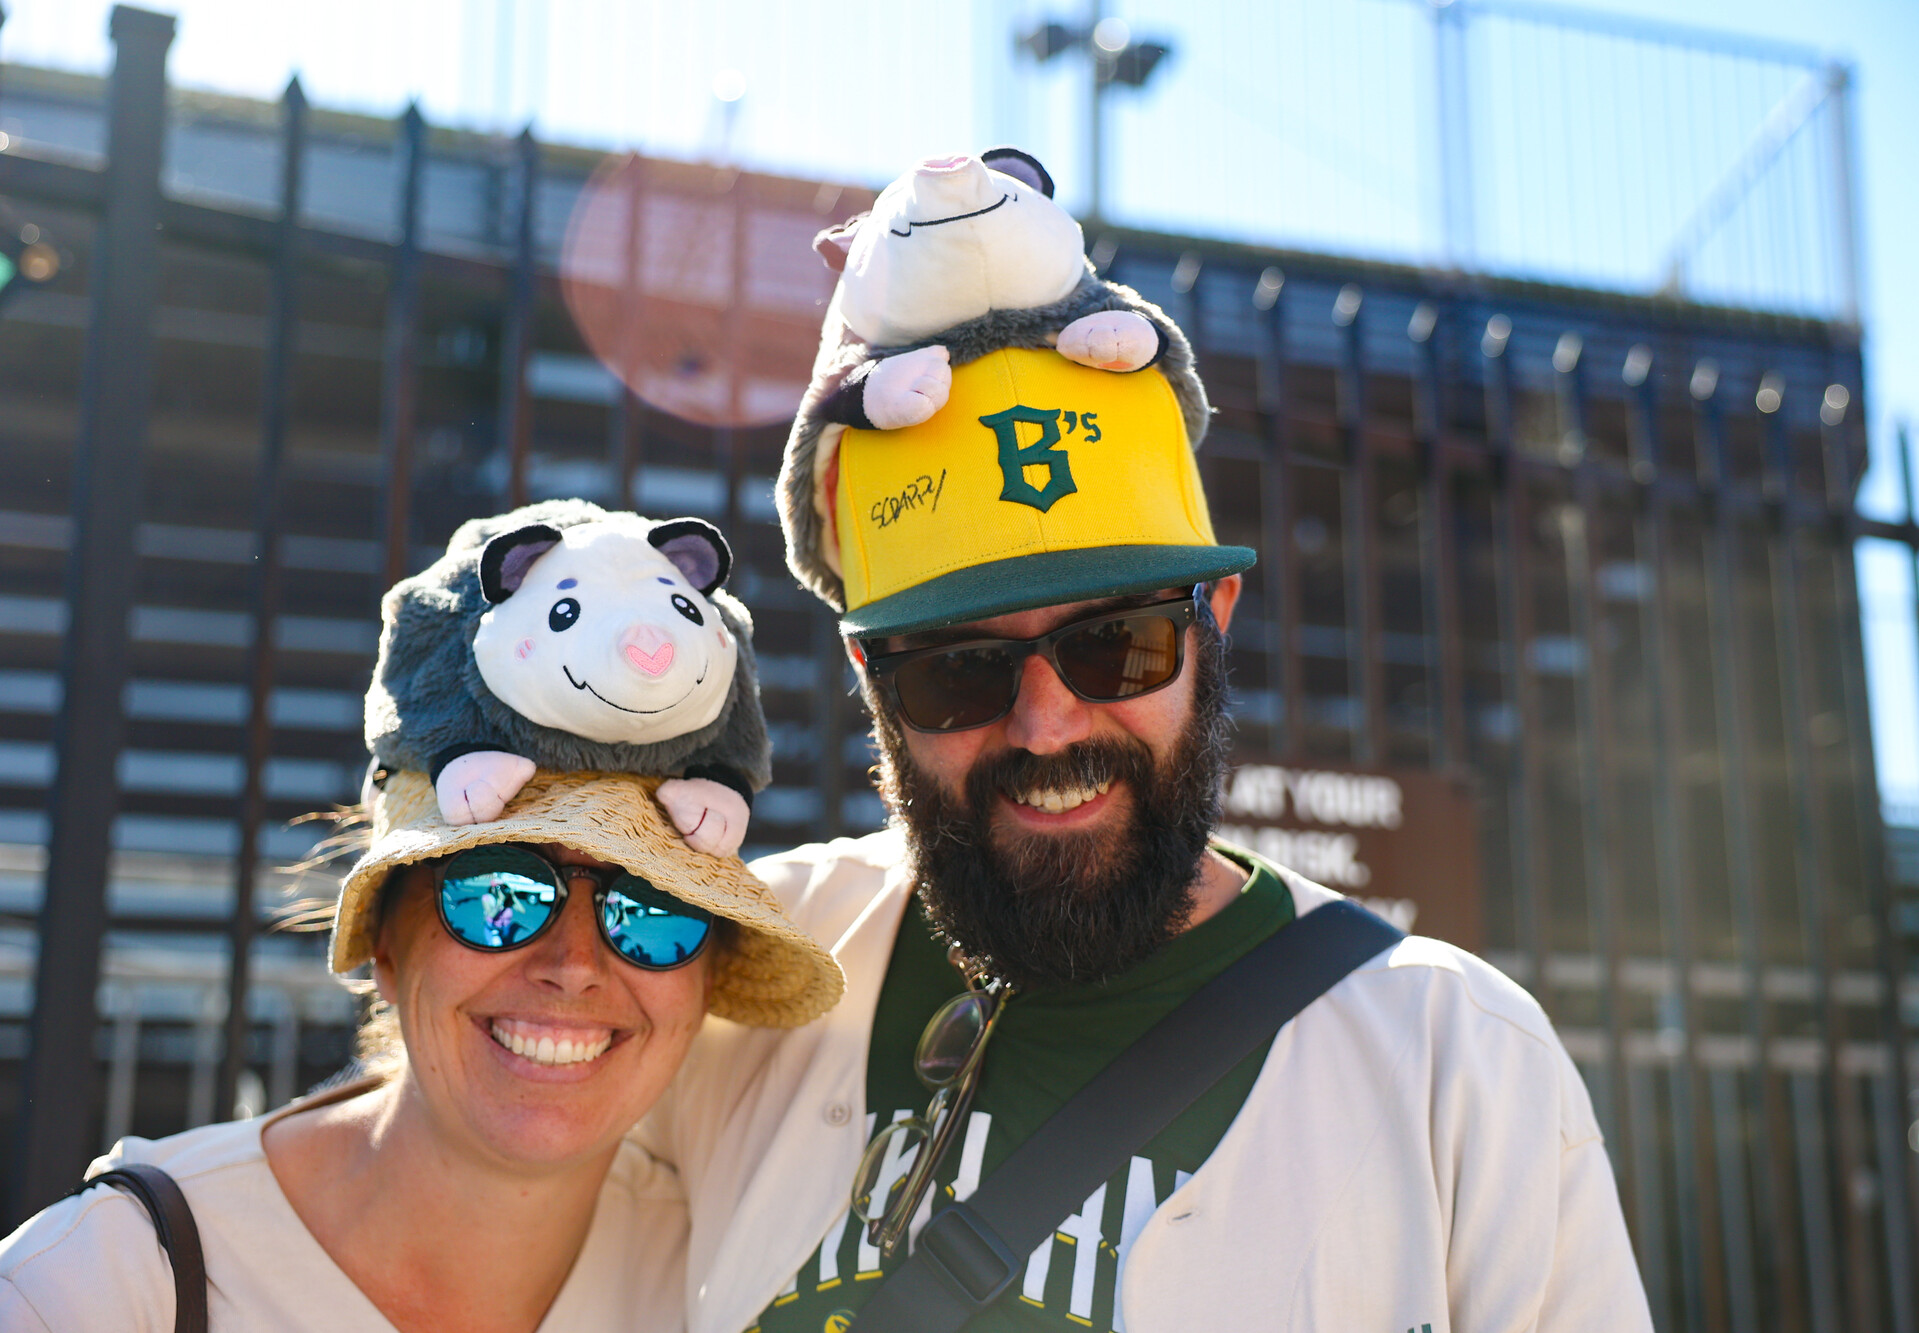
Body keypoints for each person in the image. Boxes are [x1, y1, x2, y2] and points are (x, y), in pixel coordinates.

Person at [639, 338, 1656, 1331]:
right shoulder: (733, 967)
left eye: (1117, 645)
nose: (1045, 727)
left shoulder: (1459, 1057)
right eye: (956, 668)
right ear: (872, 683)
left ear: (1213, 620)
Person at [0, 768, 841, 1332]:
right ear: (387, 947)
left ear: (702, 991)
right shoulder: (100, 1285)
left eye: (655, 911)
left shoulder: (724, 1283)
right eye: (497, 892)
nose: (575, 967)